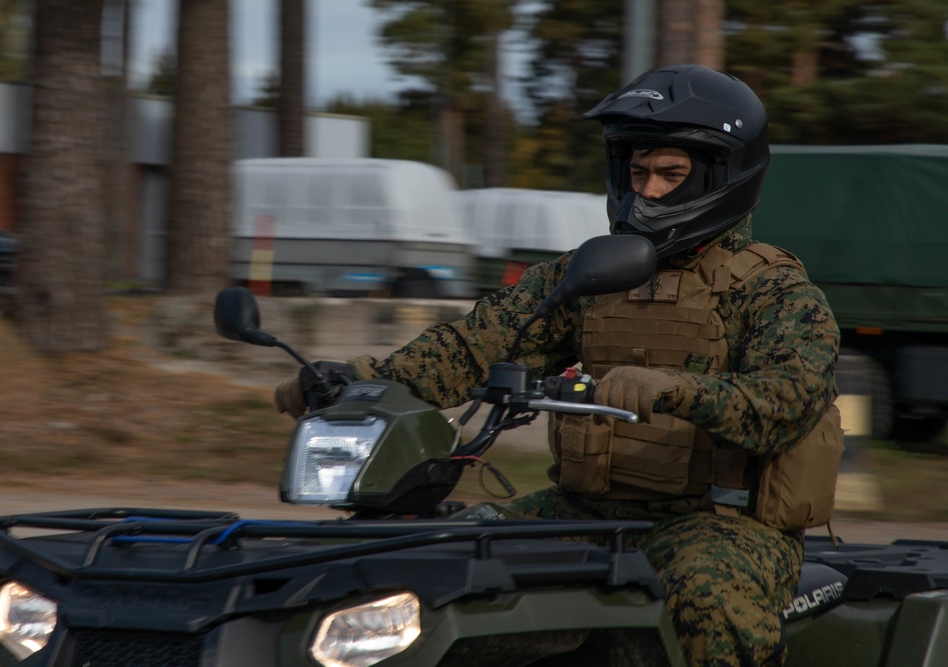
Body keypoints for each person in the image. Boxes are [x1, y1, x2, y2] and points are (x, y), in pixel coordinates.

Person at [275, 64, 841, 667]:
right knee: (448, 556)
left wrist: (675, 390)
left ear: (724, 176)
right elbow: (475, 346)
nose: (648, 191)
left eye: (672, 175)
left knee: (709, 599)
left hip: (719, 523)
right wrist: (354, 381)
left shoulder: (775, 291)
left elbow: (786, 401)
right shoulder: (587, 274)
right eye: (638, 170)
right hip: (583, 510)